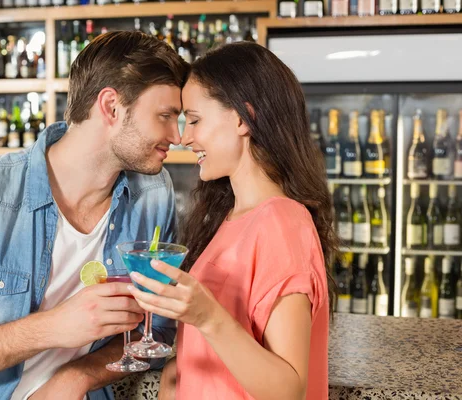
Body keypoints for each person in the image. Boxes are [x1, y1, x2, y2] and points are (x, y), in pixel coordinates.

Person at [0, 31, 190, 400]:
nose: (177, 136)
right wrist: (52, 328)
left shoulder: (153, 194)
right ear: (111, 107)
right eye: (165, 116)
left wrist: (76, 376)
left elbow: (155, 331)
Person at [126, 41, 337, 400]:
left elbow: (289, 390)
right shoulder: (230, 218)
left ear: (243, 118)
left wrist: (207, 316)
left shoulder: (282, 223)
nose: (185, 137)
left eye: (194, 120)